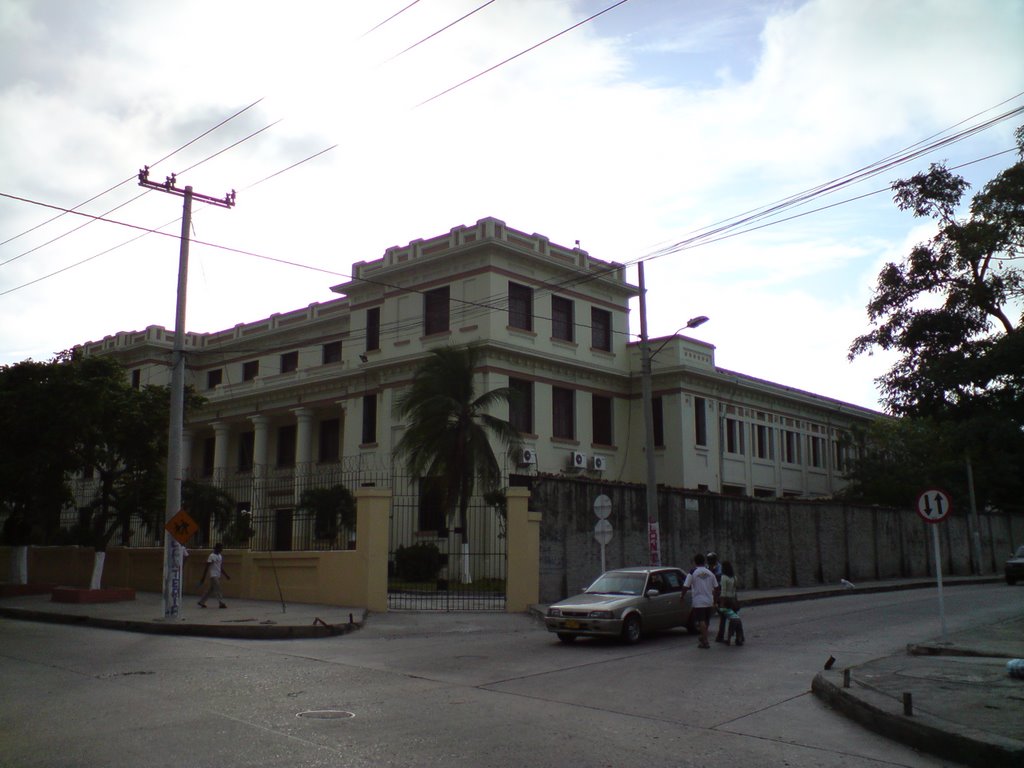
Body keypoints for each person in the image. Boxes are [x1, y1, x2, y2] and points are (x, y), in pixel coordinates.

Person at [682, 552, 719, 649]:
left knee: (701, 621)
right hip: (709, 600)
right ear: (704, 561)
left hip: (698, 601)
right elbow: (716, 588)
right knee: (706, 621)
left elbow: (686, 586)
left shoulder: (693, 572)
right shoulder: (710, 573)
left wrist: (682, 596)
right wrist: (715, 601)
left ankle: (705, 641)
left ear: (695, 562)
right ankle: (703, 637)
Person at [198, 543, 230, 608]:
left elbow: (220, 567)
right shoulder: (211, 556)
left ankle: (201, 602)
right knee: (218, 588)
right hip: (213, 575)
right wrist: (203, 577)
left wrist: (226, 575)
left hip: (218, 575)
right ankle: (221, 603)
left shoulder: (220, 556)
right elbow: (207, 566)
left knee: (210, 590)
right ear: (217, 548)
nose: (221, 550)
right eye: (220, 548)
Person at [715, 560, 739, 643]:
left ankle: (721, 636)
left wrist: (721, 603)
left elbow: (723, 592)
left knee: (723, 619)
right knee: (734, 619)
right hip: (733, 600)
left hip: (726, 601)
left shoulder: (723, 577)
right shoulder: (734, 577)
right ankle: (737, 637)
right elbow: (735, 591)